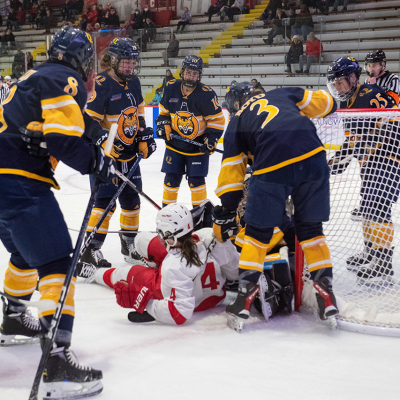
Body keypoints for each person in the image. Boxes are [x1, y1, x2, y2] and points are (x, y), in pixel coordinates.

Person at [0, 26, 114, 398]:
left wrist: (85, 134)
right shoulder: (65, 78)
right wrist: (95, 160)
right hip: (18, 181)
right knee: (55, 263)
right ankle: (58, 362)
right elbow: (62, 140)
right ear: (82, 59)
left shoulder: (34, 75)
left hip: (3, 179)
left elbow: (38, 126)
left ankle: (14, 316)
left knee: (24, 252)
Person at [213, 81, 338, 332]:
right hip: (314, 157)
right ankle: (326, 293)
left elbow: (231, 177)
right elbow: (328, 103)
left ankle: (243, 301)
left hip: (272, 167)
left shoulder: (236, 122)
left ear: (236, 103)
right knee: (311, 230)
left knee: (256, 235)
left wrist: (226, 209)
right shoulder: (283, 93)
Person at [78, 203, 238, 325]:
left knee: (124, 273)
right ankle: (155, 265)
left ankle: (95, 273)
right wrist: (225, 246)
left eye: (162, 233)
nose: (160, 236)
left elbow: (180, 313)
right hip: (214, 295)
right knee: (141, 239)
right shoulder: (207, 236)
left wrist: (146, 302)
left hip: (170, 289)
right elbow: (234, 273)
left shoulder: (173, 267)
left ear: (171, 234)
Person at [80, 37, 156, 270]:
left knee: (132, 203)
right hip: (107, 156)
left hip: (130, 155)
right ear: (112, 60)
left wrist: (143, 134)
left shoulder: (133, 81)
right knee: (105, 203)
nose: (130, 66)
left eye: (133, 61)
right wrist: (100, 136)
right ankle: (91, 249)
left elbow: (139, 111)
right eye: (125, 61)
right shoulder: (101, 83)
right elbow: (87, 120)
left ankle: (129, 245)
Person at [326, 56, 398, 284]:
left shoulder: (371, 95)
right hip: (371, 161)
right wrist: (338, 162)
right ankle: (372, 252)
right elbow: (353, 139)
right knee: (368, 205)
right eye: (334, 83)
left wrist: (373, 141)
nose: (337, 88)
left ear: (353, 78)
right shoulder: (347, 102)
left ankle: (384, 262)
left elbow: (393, 122)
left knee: (378, 205)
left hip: (389, 158)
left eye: (340, 82)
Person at [155, 55, 225, 208]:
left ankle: (199, 217)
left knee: (196, 182)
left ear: (199, 75)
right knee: (170, 180)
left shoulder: (206, 94)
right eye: (188, 72)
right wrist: (164, 125)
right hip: (174, 145)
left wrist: (211, 139)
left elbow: (217, 121)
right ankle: (167, 214)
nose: (191, 76)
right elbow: (163, 112)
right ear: (182, 72)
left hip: (197, 147)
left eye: (195, 73)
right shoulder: (171, 87)